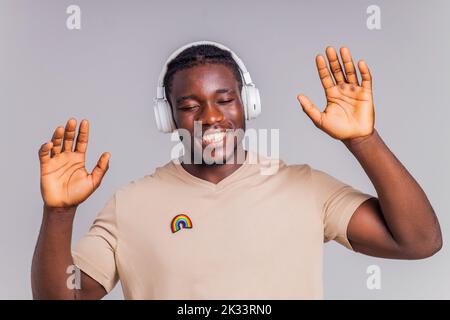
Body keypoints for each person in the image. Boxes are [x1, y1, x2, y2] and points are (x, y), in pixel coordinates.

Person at [31, 41, 442, 299]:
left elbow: (420, 241)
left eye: (224, 99)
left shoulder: (306, 188)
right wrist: (59, 214)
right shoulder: (131, 204)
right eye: (190, 106)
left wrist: (362, 140)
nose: (211, 117)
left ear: (248, 105)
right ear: (167, 118)